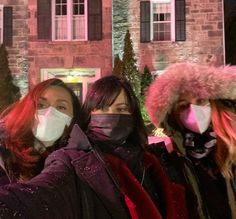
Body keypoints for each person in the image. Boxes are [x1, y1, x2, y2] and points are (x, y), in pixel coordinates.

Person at [0, 75, 188, 219]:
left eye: (122, 109)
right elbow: (40, 195)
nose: (112, 116)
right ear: (89, 114)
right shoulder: (72, 159)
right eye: (103, 108)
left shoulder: (153, 162)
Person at [145, 62, 236, 219]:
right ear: (172, 114)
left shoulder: (231, 146)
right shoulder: (171, 157)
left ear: (213, 103)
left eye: (200, 101)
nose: (194, 110)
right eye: (183, 105)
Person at [0, 78, 81, 184]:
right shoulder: (4, 148)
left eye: (61, 107)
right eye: (41, 105)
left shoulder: (77, 157)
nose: (49, 113)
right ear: (27, 108)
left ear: (72, 118)